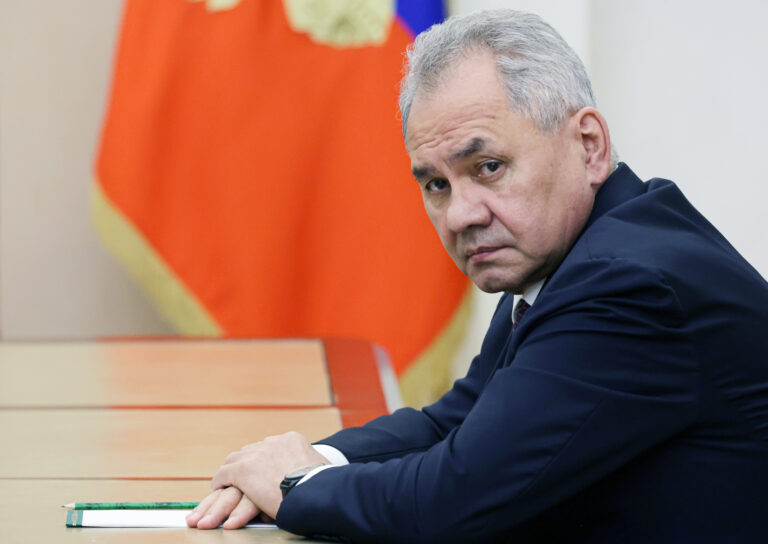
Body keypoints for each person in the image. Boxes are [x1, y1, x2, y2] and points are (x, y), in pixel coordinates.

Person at [186, 9, 768, 542]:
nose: (462, 214)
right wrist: (309, 460)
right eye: (436, 184)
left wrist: (292, 487)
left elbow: (449, 501)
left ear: (589, 145)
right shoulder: (566, 256)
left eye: (488, 167)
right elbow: (454, 423)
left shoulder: (624, 287)